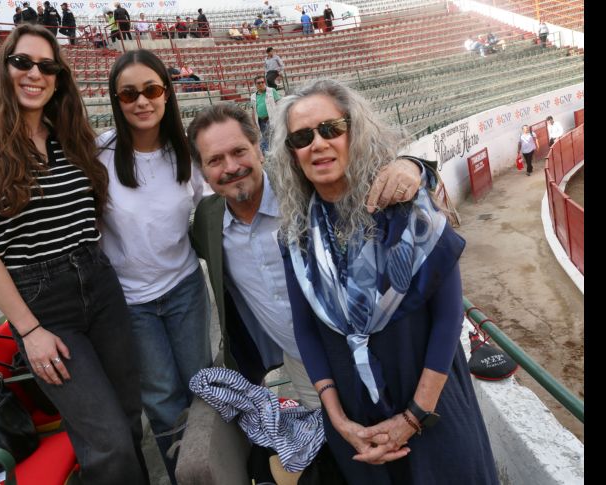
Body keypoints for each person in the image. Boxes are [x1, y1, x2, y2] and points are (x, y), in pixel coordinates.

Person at [267, 79, 500, 484]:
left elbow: (448, 320)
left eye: (330, 129)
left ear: (353, 132)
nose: (317, 144)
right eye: (302, 137)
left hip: (433, 408)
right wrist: (338, 420)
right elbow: (306, 329)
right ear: (292, 155)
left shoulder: (407, 206)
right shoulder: (296, 236)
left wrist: (412, 417)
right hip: (357, 426)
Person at [0, 24, 149, 485]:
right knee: (107, 440)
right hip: (43, 305)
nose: (34, 73)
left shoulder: (70, 138)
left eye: (47, 65)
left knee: (128, 417)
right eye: (23, 62)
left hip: (98, 282)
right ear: (4, 70)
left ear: (58, 77)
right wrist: (30, 331)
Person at [186, 102, 429, 469]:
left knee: (407, 452)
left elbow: (372, 174)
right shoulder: (206, 222)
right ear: (202, 171)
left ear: (259, 149)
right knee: (348, 458)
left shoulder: (303, 190)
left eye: (238, 151)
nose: (231, 167)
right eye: (215, 160)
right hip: (304, 369)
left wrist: (415, 166)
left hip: (370, 353)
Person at [97, 49, 212, 485]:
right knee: (162, 400)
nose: (141, 101)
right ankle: (182, 476)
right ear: (116, 100)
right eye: (129, 94)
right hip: (132, 302)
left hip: (183, 287)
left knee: (203, 386)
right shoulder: (99, 153)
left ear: (167, 94)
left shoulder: (187, 150)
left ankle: (213, 469)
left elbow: (209, 208)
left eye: (152, 89)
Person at [251, 75, 281, 153]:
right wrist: (254, 123)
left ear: (265, 82)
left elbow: (279, 103)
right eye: (258, 83)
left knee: (274, 137)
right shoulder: (253, 96)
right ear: (255, 85)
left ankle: (276, 153)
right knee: (265, 138)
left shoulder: (271, 91)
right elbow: (253, 110)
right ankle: (269, 155)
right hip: (261, 121)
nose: (261, 84)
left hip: (271, 119)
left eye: (262, 82)